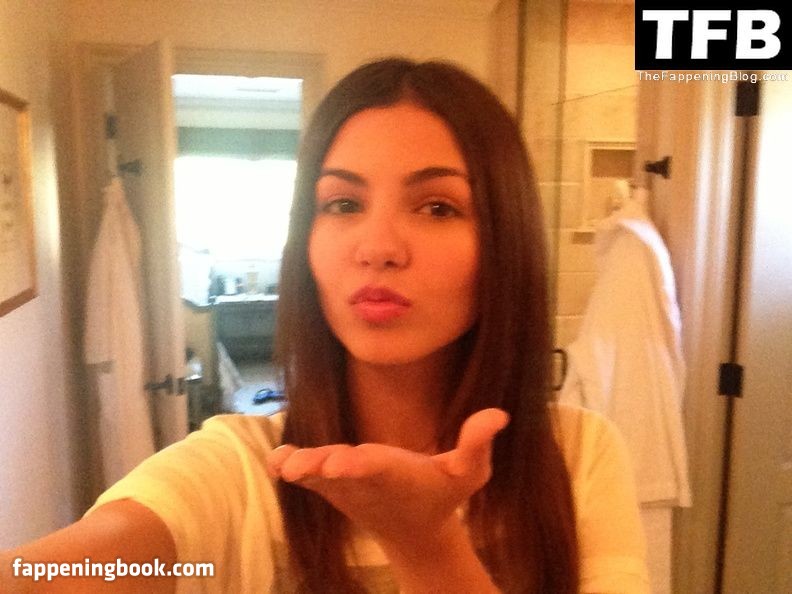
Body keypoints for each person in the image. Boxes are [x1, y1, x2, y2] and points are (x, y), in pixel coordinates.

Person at [1, 58, 648, 593]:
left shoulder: (579, 458)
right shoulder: (241, 470)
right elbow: (65, 568)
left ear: (507, 242)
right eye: (341, 203)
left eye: (436, 206)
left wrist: (425, 544)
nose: (378, 247)